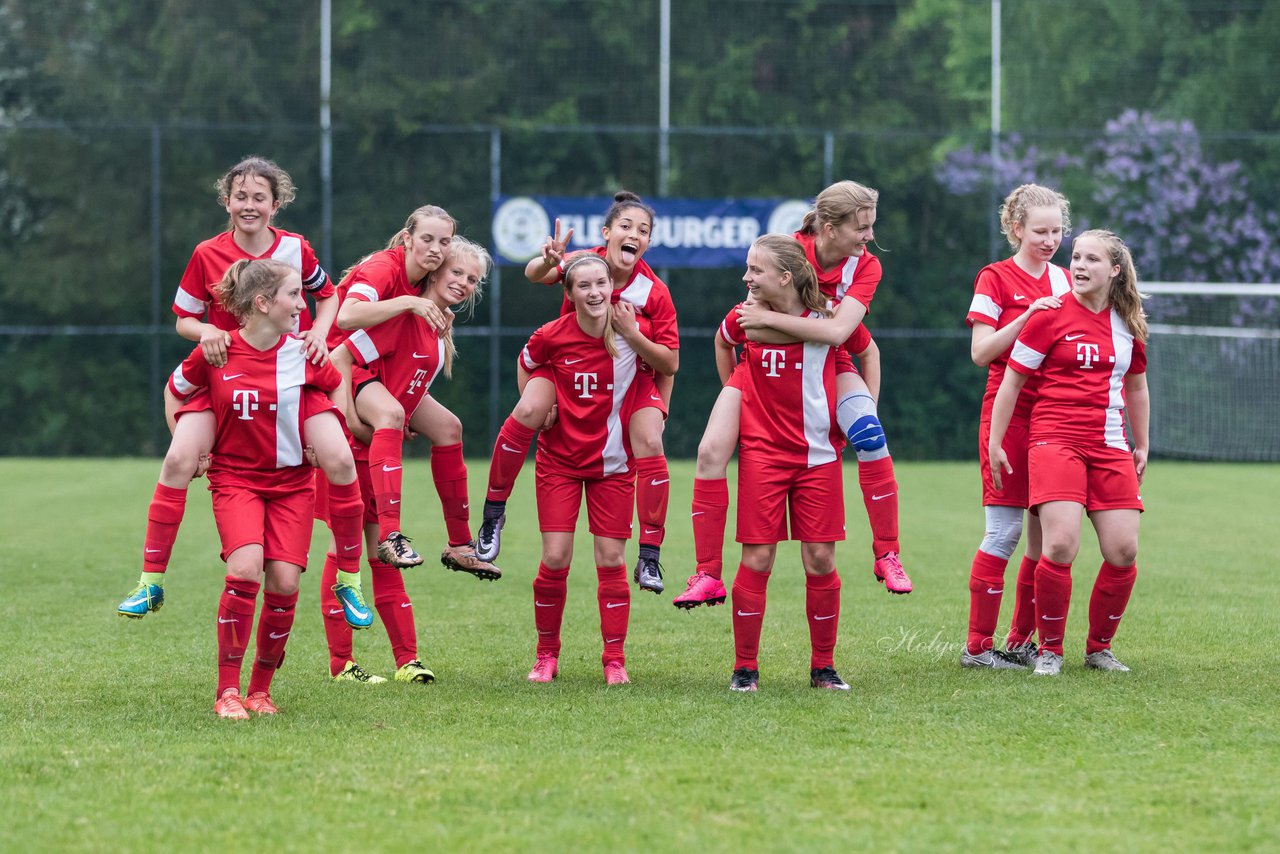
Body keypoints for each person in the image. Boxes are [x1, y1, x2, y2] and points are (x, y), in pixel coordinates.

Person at [116, 157, 362, 621]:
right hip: (227, 372)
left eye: (259, 198)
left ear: (276, 204)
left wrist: (320, 335)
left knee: (341, 458)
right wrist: (205, 333)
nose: (249, 205)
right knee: (177, 459)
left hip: (293, 375)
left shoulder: (296, 248)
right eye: (241, 196)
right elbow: (185, 319)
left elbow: (329, 294)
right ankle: (151, 581)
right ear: (226, 201)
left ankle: (349, 578)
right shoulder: (207, 253)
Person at [677, 179, 911, 610]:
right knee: (710, 452)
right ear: (827, 227)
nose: (870, 236)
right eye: (862, 227)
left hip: (831, 363)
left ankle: (887, 553)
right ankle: (708, 573)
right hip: (761, 368)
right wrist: (744, 387)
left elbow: (844, 335)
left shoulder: (866, 266)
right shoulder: (786, 251)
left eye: (871, 225)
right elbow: (745, 322)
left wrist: (868, 404)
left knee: (871, 436)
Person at [166, 259, 356, 718]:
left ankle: (260, 690)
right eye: (293, 295)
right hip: (236, 480)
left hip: (292, 484)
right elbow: (176, 390)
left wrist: (325, 432)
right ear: (263, 303)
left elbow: (335, 390)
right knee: (246, 568)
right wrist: (190, 442)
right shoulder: (216, 350)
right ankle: (227, 692)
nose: (302, 304)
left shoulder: (303, 352)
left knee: (286, 583)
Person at [477, 192, 679, 595]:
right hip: (567, 372)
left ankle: (650, 554)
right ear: (606, 234)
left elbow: (669, 363)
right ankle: (493, 513)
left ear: (649, 243)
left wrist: (632, 335)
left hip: (625, 380)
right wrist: (549, 261)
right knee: (530, 407)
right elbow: (534, 275)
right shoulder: (585, 263)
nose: (633, 235)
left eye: (643, 231)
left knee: (649, 438)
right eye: (625, 226)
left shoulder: (653, 292)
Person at [321, 237, 498, 685]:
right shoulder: (404, 314)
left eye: (472, 279)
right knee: (344, 555)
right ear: (433, 273)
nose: (462, 282)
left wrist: (404, 413)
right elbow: (341, 357)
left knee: (451, 428)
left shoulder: (437, 324)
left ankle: (409, 656)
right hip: (353, 450)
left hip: (379, 453)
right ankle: (342, 665)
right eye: (456, 273)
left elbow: (404, 385)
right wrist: (351, 420)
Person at [988, 229, 1149, 677]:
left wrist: (1143, 442)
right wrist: (995, 443)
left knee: (1123, 550)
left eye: (1091, 259)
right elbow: (1012, 382)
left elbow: (1136, 386)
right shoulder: (1050, 314)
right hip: (1053, 440)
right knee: (1059, 545)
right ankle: (1050, 651)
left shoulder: (1128, 321)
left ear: (1114, 270)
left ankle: (1099, 649)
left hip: (1110, 445)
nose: (1078, 265)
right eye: (1075, 257)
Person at [719, 235, 854, 692]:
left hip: (819, 456)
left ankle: (823, 668)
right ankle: (745, 669)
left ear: (785, 277)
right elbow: (723, 345)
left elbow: (865, 350)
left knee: (819, 558)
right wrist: (738, 392)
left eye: (755, 270)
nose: (746, 277)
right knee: (758, 558)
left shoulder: (828, 319)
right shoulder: (742, 316)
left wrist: (862, 408)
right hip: (763, 456)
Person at [962, 183, 1072, 669]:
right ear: (1015, 228)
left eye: (1057, 231)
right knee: (1004, 534)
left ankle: (1021, 640)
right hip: (1006, 415)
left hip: (1054, 417)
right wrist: (1028, 314)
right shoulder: (996, 279)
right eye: (1040, 231)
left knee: (1042, 539)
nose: (1050, 240)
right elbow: (981, 352)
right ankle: (977, 649)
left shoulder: (1069, 280)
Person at [521, 253, 644, 686]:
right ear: (569, 294)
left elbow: (666, 364)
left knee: (611, 559)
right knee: (555, 558)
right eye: (584, 286)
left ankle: (614, 660)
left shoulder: (631, 331)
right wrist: (542, 407)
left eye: (601, 283)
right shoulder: (551, 335)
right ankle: (545, 655)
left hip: (614, 465)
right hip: (560, 463)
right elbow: (528, 364)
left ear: (612, 286)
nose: (594, 292)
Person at [326, 204, 460, 571]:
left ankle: (461, 543)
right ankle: (391, 535)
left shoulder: (423, 282)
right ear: (407, 239)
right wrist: (408, 303)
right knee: (391, 415)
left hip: (376, 372)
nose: (436, 248)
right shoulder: (385, 269)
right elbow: (346, 317)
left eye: (444, 242)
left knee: (449, 428)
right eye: (427, 239)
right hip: (339, 368)